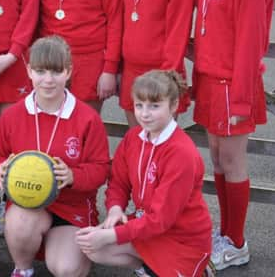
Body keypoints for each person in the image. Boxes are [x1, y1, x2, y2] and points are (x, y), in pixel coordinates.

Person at [193, 0, 273, 271]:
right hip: (210, 82)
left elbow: (250, 44)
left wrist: (241, 100)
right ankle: (225, 233)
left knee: (232, 161)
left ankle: (237, 242)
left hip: (232, 88)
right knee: (217, 162)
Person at [75, 70, 213, 277]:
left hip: (181, 238)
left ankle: (198, 268)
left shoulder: (181, 153)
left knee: (104, 240)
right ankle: (146, 269)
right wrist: (114, 209)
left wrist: (111, 235)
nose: (145, 114)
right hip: (146, 225)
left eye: (154, 106)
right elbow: (118, 183)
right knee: (93, 248)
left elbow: (161, 219)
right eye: (139, 105)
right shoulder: (133, 138)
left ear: (174, 106)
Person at [0, 36, 111, 277]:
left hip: (72, 206)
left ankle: (59, 245)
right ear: (29, 71)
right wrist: (0, 168)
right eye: (40, 71)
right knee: (19, 222)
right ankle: (22, 269)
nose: (48, 80)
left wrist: (73, 176)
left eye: (56, 72)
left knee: (66, 269)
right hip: (29, 203)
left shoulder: (87, 118)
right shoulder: (12, 116)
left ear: (68, 72)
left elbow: (101, 168)